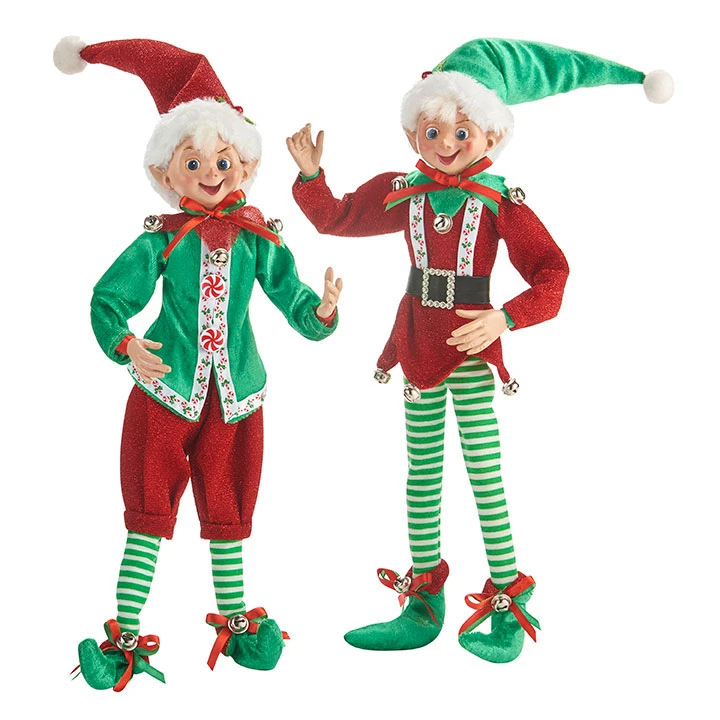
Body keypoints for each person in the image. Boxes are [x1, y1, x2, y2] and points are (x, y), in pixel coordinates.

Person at [288, 38, 671, 663]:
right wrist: (311, 177)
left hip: (469, 349)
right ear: (412, 132)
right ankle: (424, 602)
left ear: (492, 134)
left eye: (461, 131)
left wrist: (504, 317)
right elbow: (337, 217)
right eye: (433, 130)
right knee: (420, 473)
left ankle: (509, 601)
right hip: (417, 345)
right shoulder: (403, 191)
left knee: (484, 470)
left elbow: (552, 273)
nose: (446, 142)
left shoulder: (499, 202)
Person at [54, 36, 342, 690]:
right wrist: (125, 344)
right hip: (165, 390)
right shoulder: (160, 239)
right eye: (193, 161)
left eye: (223, 159)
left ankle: (236, 622)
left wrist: (321, 311)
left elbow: (291, 296)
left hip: (236, 398)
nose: (211, 172)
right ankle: (124, 638)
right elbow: (108, 298)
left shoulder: (258, 238)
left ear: (245, 165)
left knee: (230, 511)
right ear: (166, 175)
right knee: (148, 514)